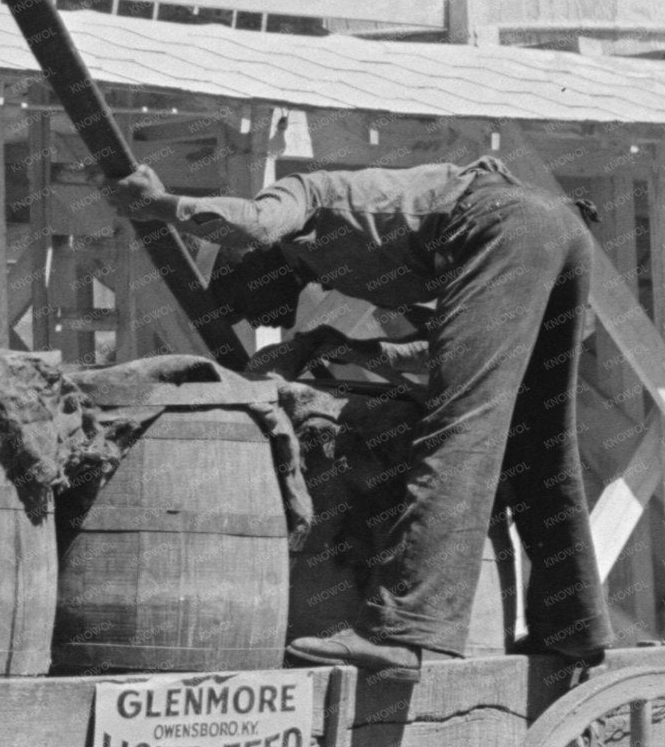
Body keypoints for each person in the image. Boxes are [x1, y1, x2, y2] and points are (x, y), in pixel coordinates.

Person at [101, 157, 612, 682]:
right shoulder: (356, 255)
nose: (265, 317)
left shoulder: (301, 196)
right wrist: (348, 349)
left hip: (502, 220)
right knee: (538, 443)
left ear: (250, 266)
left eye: (252, 304)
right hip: (553, 226)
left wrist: (159, 206)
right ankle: (574, 624)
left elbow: (252, 222)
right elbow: (453, 343)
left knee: (457, 430)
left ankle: (406, 633)